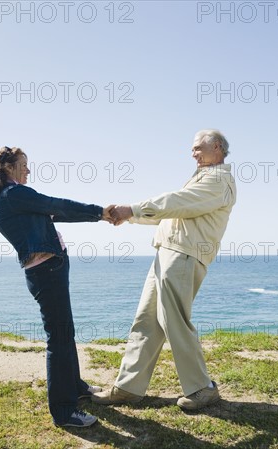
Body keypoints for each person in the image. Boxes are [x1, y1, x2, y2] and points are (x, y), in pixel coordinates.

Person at [95, 129, 237, 411]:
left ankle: (202, 388)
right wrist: (131, 216)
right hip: (170, 252)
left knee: (173, 320)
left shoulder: (219, 180)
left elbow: (176, 203)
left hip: (184, 255)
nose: (193, 152)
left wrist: (131, 209)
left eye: (198, 147)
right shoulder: (205, 178)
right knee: (147, 320)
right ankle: (128, 387)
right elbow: (173, 214)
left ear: (217, 147)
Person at [0, 146, 112, 427]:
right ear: (8, 168)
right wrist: (101, 212)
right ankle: (64, 412)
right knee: (59, 337)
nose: (28, 170)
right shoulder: (15, 195)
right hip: (47, 271)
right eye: (24, 165)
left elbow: (56, 214)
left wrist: (97, 216)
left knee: (65, 331)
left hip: (44, 270)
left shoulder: (3, 200)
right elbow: (56, 205)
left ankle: (75, 387)